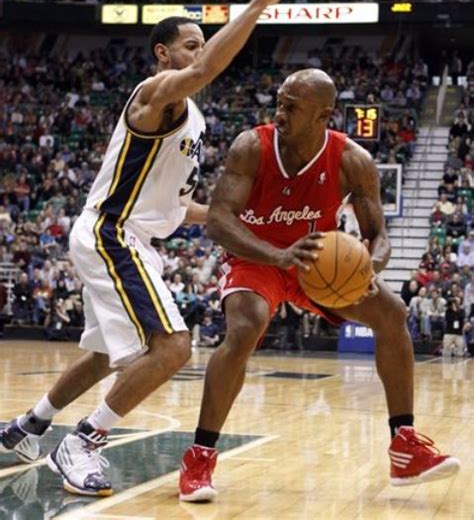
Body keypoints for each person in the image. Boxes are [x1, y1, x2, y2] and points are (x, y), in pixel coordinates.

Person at [0, 0, 310, 496]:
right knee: (172, 347)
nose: (199, 52)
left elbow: (175, 207)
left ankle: (28, 426)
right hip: (111, 234)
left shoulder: (193, 118)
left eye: (201, 43)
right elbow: (205, 70)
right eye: (190, 44)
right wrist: (261, 1)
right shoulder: (153, 94)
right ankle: (84, 441)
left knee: (103, 355)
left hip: (126, 235)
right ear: (163, 53)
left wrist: (243, 224)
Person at [179, 68, 460, 502]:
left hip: (315, 263)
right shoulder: (251, 146)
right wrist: (276, 255)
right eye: (280, 102)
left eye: (292, 107)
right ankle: (200, 456)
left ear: (323, 115)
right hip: (257, 257)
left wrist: (370, 267)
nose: (280, 112)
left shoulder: (352, 160)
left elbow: (379, 236)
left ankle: (404, 445)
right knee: (246, 326)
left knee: (393, 313)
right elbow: (218, 220)